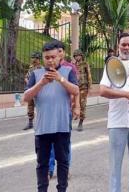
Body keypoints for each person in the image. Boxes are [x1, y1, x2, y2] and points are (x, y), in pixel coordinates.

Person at [24, 41, 79, 192]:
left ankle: (62, 189)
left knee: (63, 162)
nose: (50, 60)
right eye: (47, 57)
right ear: (43, 58)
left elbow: (75, 90)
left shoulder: (68, 71)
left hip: (62, 127)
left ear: (59, 57)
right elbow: (26, 97)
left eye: (53, 57)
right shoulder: (36, 74)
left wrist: (60, 79)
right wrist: (41, 83)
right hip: (42, 129)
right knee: (42, 164)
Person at [99, 32, 129, 192]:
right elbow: (102, 90)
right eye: (123, 44)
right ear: (118, 46)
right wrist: (126, 94)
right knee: (115, 166)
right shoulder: (111, 65)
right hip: (117, 123)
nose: (126, 47)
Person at [48, 40, 80, 179]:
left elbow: (76, 89)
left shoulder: (70, 68)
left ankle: (65, 168)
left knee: (64, 142)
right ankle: (49, 168)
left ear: (63, 52)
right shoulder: (46, 68)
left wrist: (77, 106)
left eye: (60, 51)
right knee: (48, 141)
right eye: (56, 51)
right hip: (49, 112)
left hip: (64, 111)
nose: (58, 54)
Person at [72, 49, 92, 131]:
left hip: (84, 87)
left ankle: (81, 122)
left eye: (79, 55)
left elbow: (89, 75)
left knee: (82, 104)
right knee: (73, 104)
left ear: (81, 56)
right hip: (75, 87)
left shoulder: (85, 64)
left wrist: (89, 87)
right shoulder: (73, 65)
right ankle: (74, 116)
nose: (77, 57)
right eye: (76, 56)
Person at [23, 51, 43, 130]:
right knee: (30, 106)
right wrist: (28, 83)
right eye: (32, 58)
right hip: (31, 90)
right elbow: (26, 77)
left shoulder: (41, 69)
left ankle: (41, 123)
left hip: (38, 90)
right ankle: (30, 122)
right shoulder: (31, 68)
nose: (33, 60)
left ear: (38, 59)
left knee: (40, 106)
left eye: (34, 58)